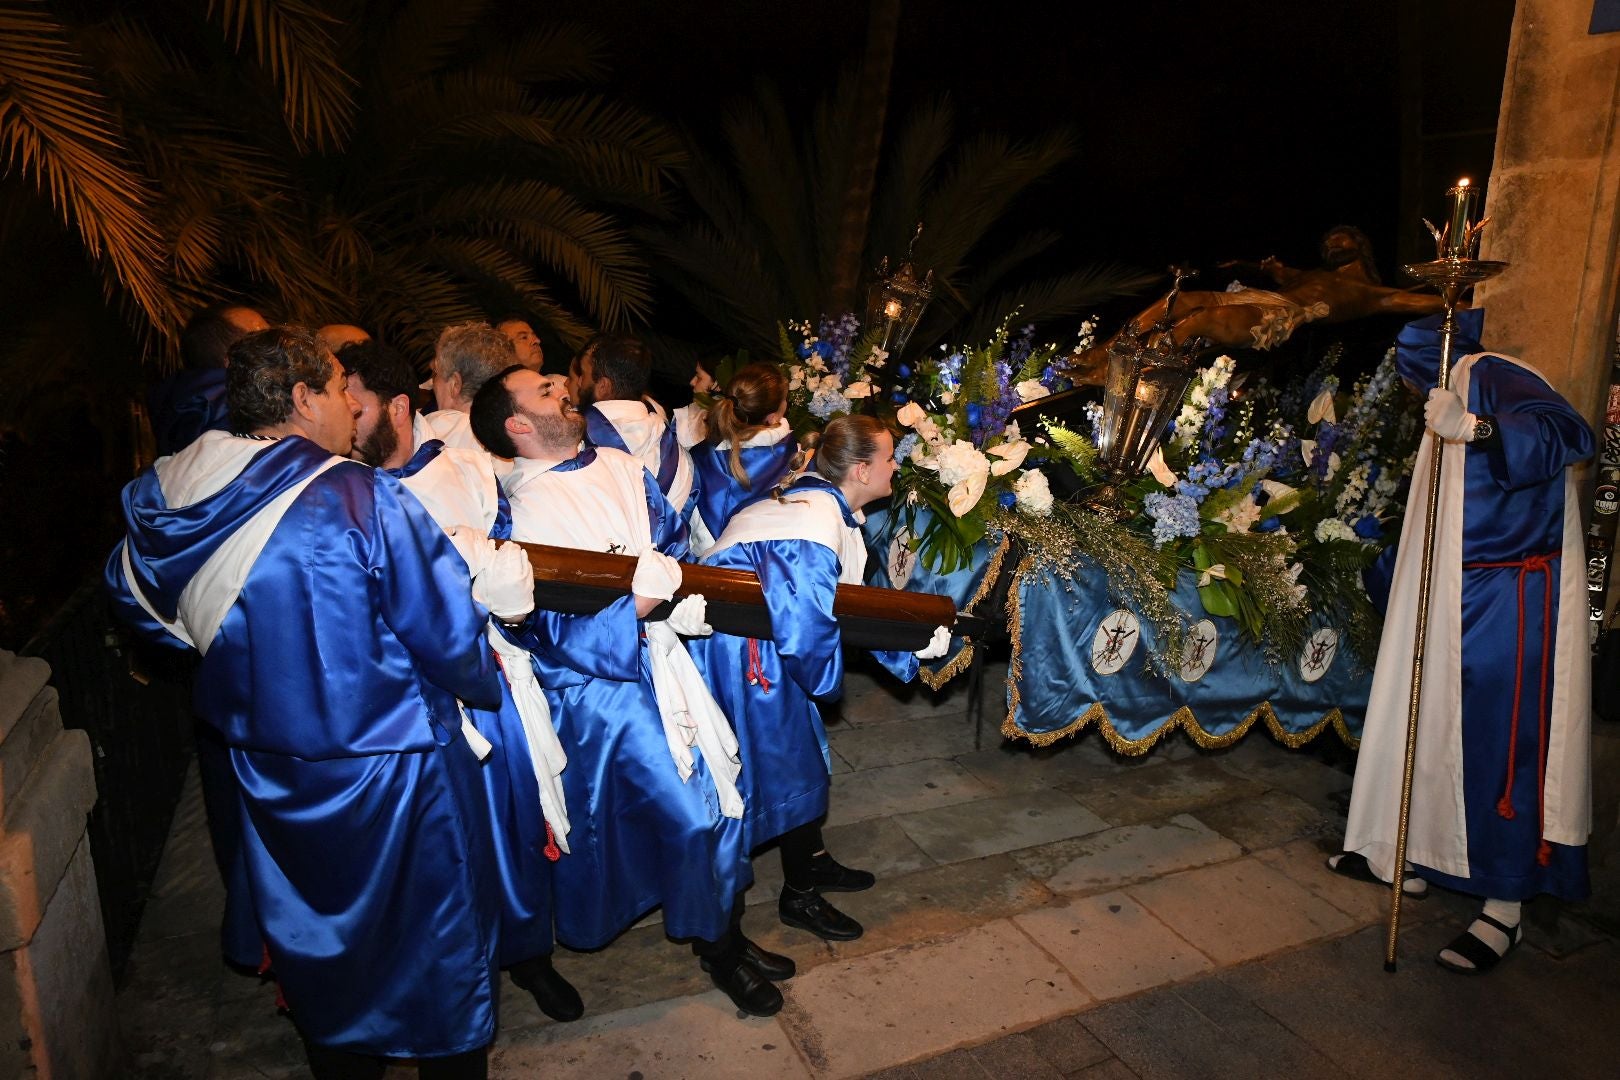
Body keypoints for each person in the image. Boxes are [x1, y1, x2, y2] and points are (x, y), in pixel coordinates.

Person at [106, 327, 504, 1078]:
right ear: (300, 398)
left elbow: (134, 598)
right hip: (392, 768)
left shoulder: (170, 489)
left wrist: (233, 651)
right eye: (339, 389)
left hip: (266, 768)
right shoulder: (361, 496)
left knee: (321, 936)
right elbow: (447, 631)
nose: (353, 406)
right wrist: (487, 683)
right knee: (431, 940)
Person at [469, 366, 769, 1015]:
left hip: (663, 660)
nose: (561, 387)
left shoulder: (622, 465)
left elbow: (667, 542)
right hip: (600, 691)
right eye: (544, 391)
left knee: (724, 796)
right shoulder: (513, 510)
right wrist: (634, 610)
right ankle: (718, 946)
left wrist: (677, 599)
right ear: (517, 425)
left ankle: (726, 935)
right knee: (692, 814)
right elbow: (534, 625)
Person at [1332, 309, 1594, 974]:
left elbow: (1569, 434)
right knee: (1429, 732)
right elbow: (1439, 510)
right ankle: (1417, 855)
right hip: (1452, 592)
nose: (1404, 382)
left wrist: (1477, 428)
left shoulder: (1491, 375)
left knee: (1500, 746)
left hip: (1508, 599)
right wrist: (1378, 570)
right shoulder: (1443, 396)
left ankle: (1504, 908)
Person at [341, 342, 581, 1021]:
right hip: (400, 698)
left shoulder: (470, 467)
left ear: (397, 407)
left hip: (483, 674)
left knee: (513, 819)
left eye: (356, 407)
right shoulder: (342, 489)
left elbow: (518, 547)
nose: (346, 421)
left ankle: (529, 953)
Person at [689, 415, 951, 950]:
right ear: (861, 471)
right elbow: (808, 633)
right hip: (746, 658)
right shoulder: (814, 527)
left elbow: (842, 606)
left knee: (801, 762)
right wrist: (828, 688)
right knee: (784, 770)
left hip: (760, 645)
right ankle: (787, 901)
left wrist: (908, 645)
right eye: (888, 458)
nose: (896, 467)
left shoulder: (822, 501)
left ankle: (809, 861)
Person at [568, 332, 697, 514]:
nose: (579, 382)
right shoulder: (675, 449)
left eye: (583, 374)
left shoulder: (572, 438)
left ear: (603, 386)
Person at [688, 361, 800, 554]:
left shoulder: (698, 457)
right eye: (785, 400)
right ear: (772, 418)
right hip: (771, 564)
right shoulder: (798, 458)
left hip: (706, 563)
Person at [148, 303, 270, 457]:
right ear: (234, 358)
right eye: (266, 339)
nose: (281, 346)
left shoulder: (183, 405)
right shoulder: (248, 407)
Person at [425, 322, 518, 451]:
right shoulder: (517, 435)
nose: (432, 383)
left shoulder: (430, 432)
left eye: (436, 372)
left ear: (455, 384)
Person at [673, 355, 722, 449]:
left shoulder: (718, 428)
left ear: (717, 386)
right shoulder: (690, 412)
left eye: (699, 378)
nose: (692, 382)